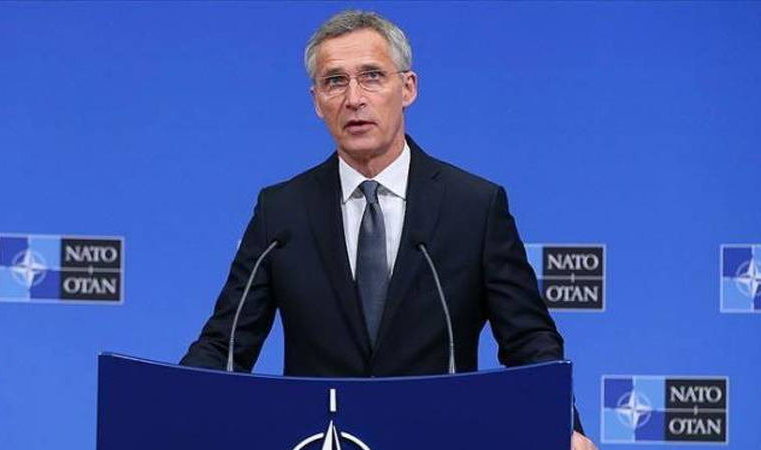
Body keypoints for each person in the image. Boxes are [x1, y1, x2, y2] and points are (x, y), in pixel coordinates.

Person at [181, 10, 597, 450]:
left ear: (408, 88)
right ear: (317, 101)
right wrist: (174, 412)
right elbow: (225, 344)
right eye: (335, 81)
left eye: (372, 76)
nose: (353, 98)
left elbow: (529, 341)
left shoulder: (474, 206)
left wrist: (562, 427)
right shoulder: (281, 210)